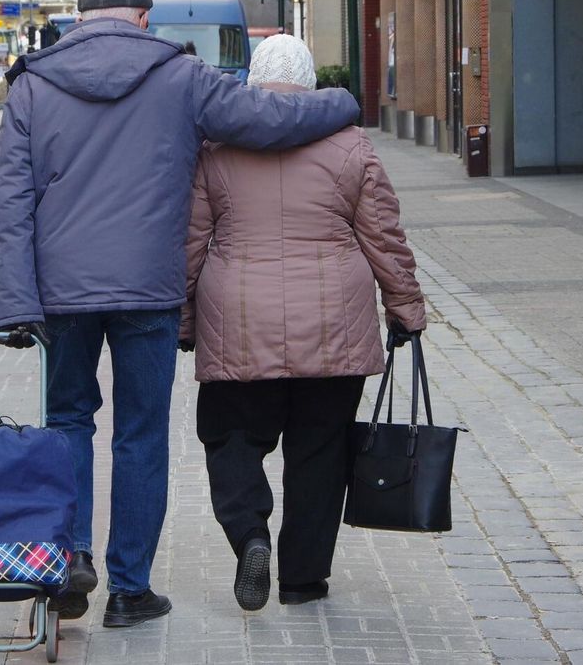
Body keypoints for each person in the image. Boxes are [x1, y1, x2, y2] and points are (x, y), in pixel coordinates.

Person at [0, 0, 360, 630]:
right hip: (148, 288)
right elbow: (266, 119)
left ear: (80, 18)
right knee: (139, 435)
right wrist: (343, 103)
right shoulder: (180, 76)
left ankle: (73, 557)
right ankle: (130, 589)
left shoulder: (33, 84)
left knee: (68, 419)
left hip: (61, 292)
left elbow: (10, 205)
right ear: (141, 17)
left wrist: (16, 303)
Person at [179, 35, 427, 611]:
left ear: (251, 81)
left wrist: (185, 321)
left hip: (237, 322)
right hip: (333, 327)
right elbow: (384, 238)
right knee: (321, 452)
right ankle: (302, 577)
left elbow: (189, 243)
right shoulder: (351, 145)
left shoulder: (217, 147)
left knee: (230, 438)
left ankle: (250, 535)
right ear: (312, 81)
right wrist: (406, 308)